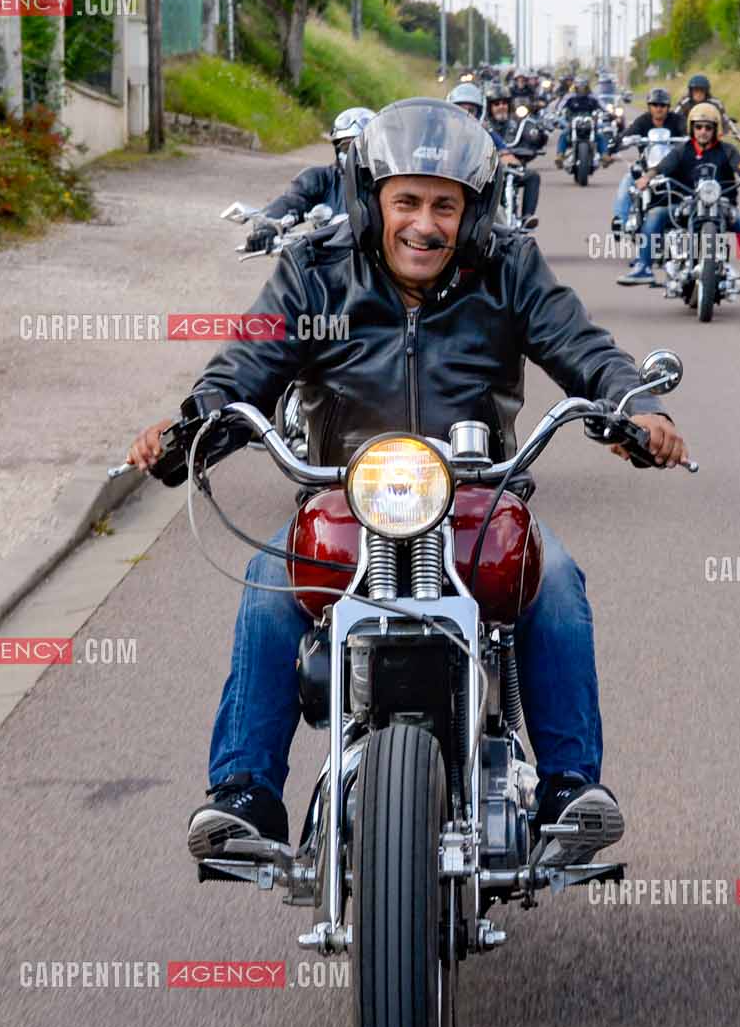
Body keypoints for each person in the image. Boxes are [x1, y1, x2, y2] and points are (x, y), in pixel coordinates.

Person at [123, 98, 691, 872]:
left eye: (445, 206)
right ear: (371, 202)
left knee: (553, 578)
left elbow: (581, 346)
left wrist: (632, 407)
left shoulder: (507, 269)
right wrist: (192, 426)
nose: (425, 224)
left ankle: (569, 793)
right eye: (408, 202)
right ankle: (245, 796)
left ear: (474, 214)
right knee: (266, 579)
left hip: (476, 501)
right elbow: (244, 370)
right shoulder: (314, 274)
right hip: (341, 503)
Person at [618, 102, 740, 290]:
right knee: (655, 215)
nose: (703, 131)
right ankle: (642, 267)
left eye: (708, 127)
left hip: (721, 206)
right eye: (698, 127)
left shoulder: (728, 151)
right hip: (686, 205)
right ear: (692, 128)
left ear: (715, 129)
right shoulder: (682, 150)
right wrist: (646, 178)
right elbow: (661, 167)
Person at [248, 106, 376, 250]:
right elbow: (292, 201)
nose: (354, 156)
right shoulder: (320, 179)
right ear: (337, 150)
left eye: (361, 149)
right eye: (348, 148)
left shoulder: (387, 184)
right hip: (327, 258)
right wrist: (267, 227)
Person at [610, 87, 683, 232]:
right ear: (649, 106)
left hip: (672, 166)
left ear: (668, 107)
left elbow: (689, 133)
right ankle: (620, 220)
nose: (659, 108)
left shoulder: (677, 120)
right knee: (629, 179)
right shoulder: (643, 121)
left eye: (662, 105)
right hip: (646, 165)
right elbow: (628, 134)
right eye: (655, 105)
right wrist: (616, 144)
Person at [483, 86, 544, 229]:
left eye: (504, 103)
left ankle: (526, 218)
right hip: (487, 172)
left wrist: (535, 138)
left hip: (511, 168)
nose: (501, 107)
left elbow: (531, 137)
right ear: (489, 107)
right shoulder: (485, 125)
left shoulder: (516, 123)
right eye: (496, 104)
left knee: (533, 176)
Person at [682, 72, 740, 142]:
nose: (698, 94)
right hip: (688, 138)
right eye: (696, 90)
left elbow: (726, 119)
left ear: (707, 91)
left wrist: (737, 135)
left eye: (701, 90)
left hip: (710, 138)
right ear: (691, 91)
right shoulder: (684, 102)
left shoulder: (715, 103)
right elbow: (674, 118)